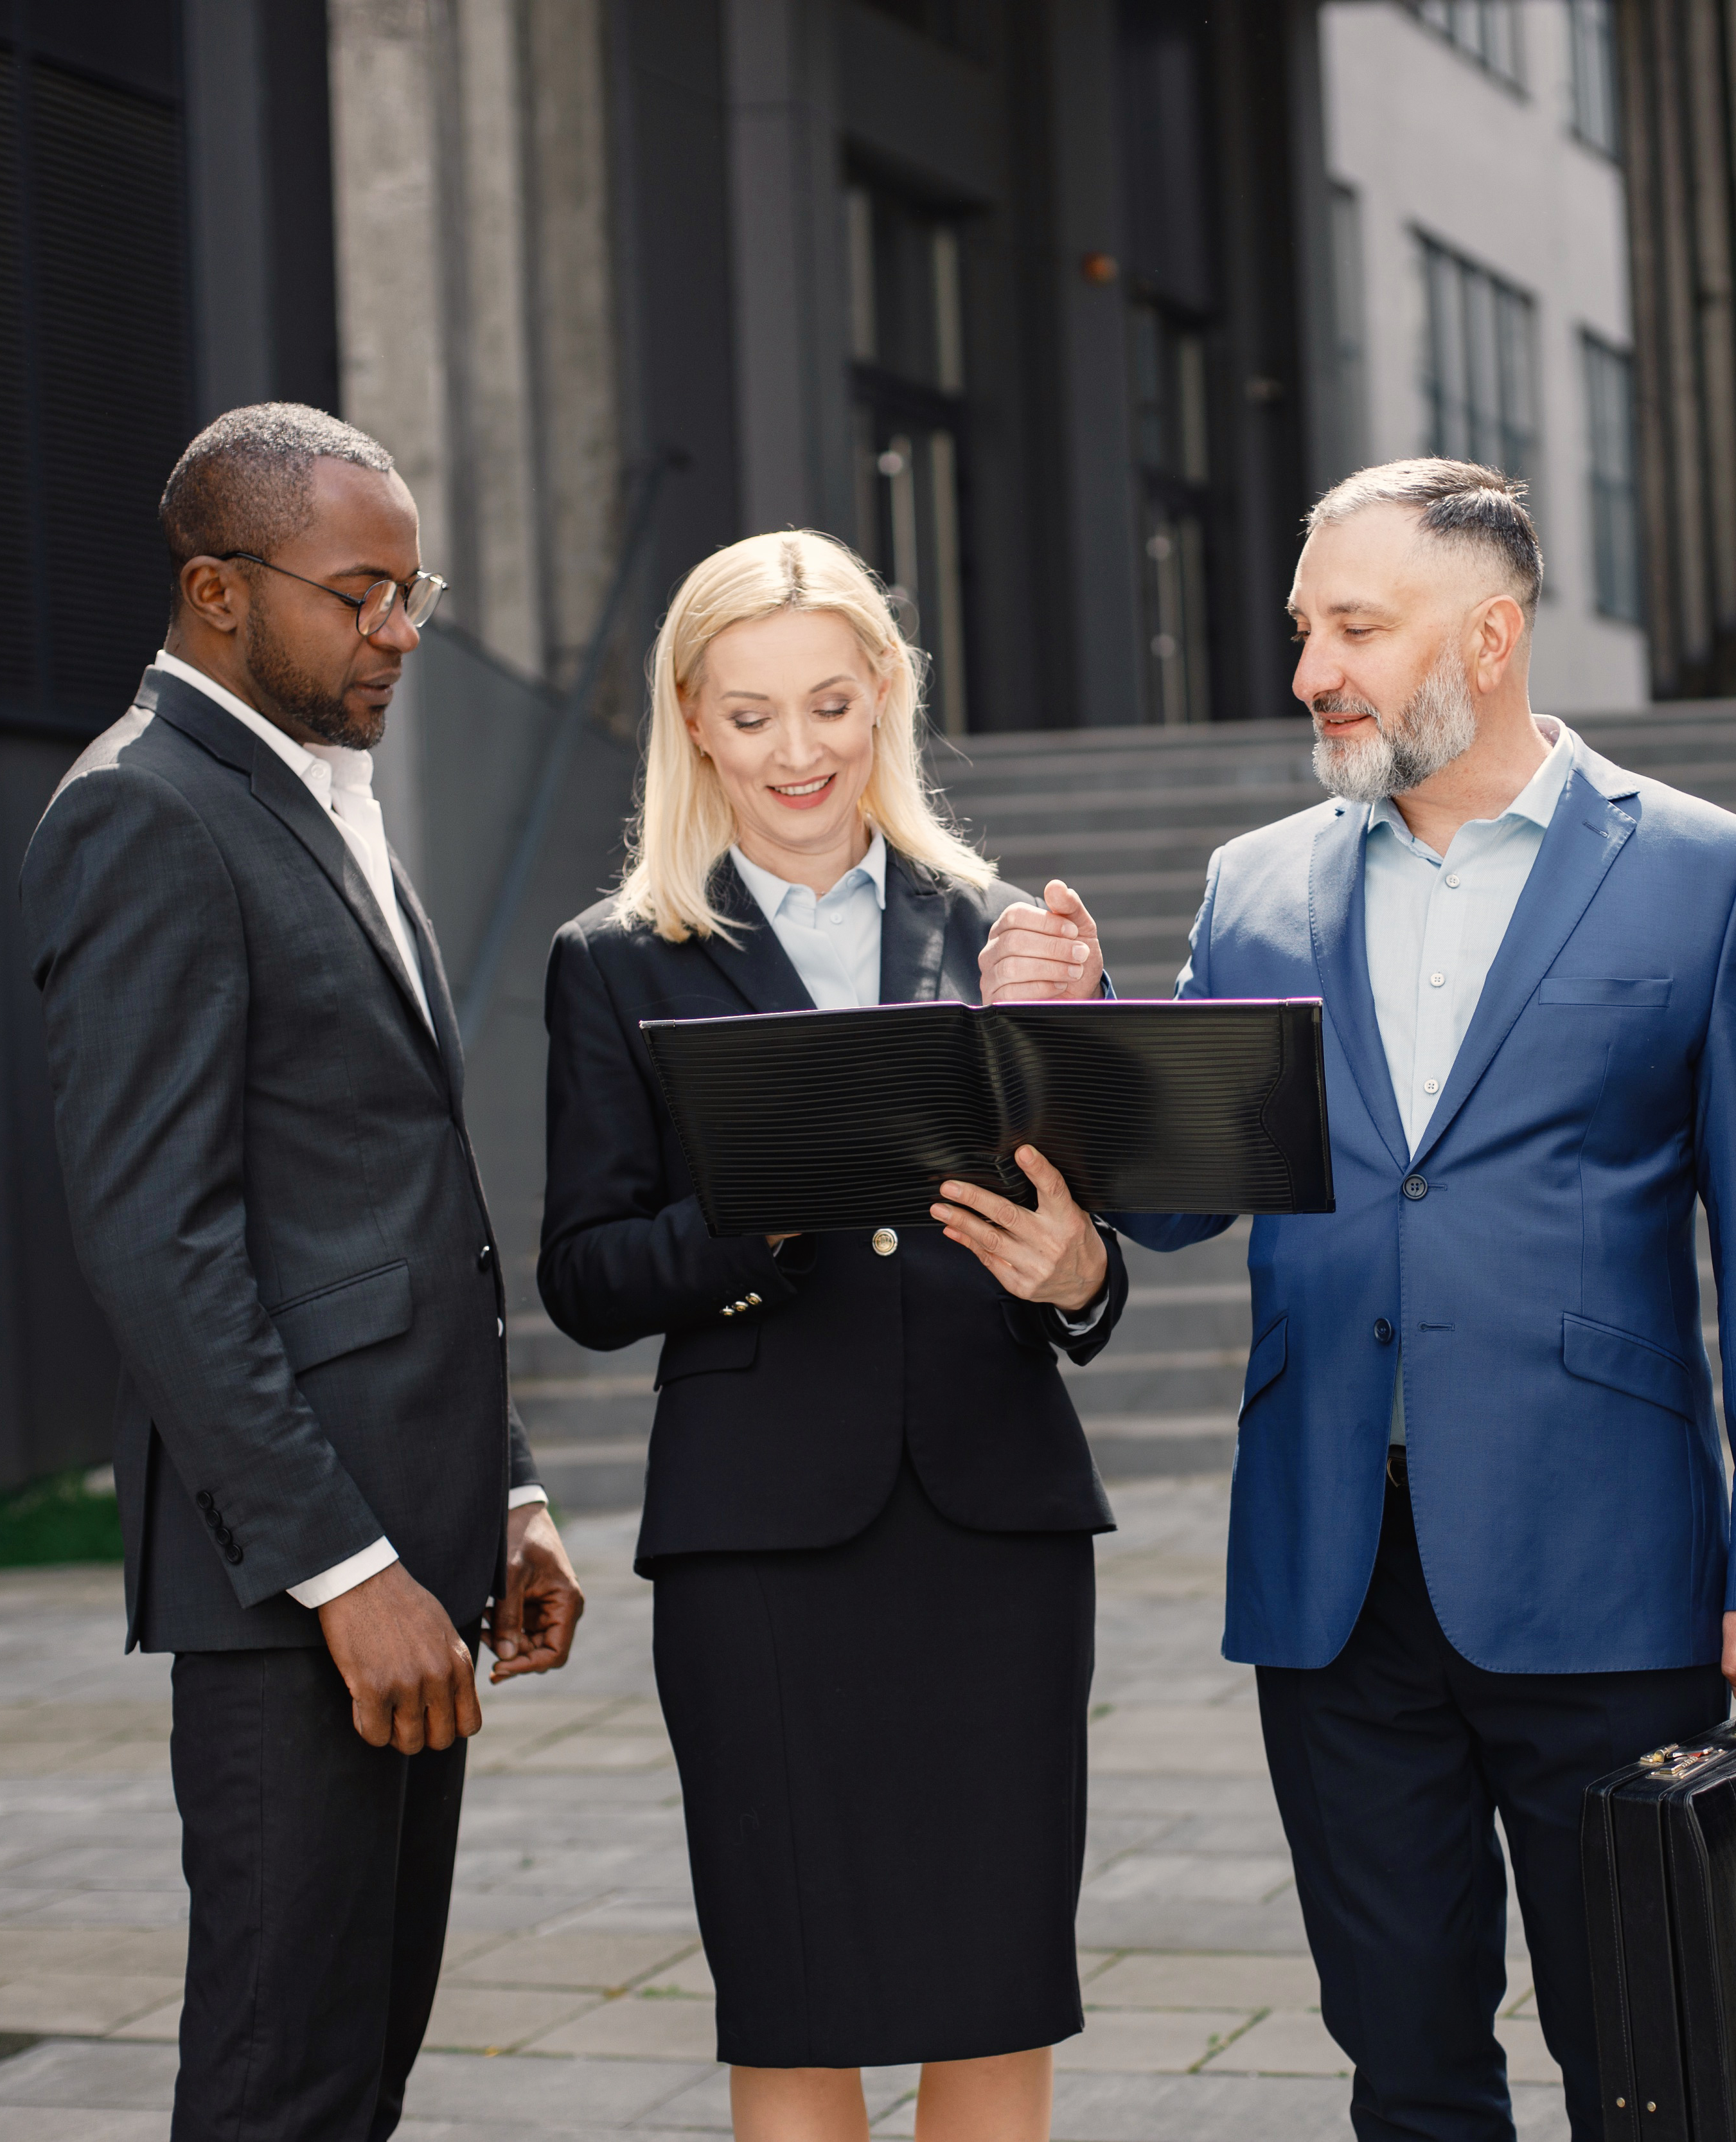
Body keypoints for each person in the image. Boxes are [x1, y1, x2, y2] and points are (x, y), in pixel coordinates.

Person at [984, 460, 1736, 2142]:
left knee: (1655, 2052)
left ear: (1494, 631)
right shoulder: (1258, 884)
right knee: (1404, 2056)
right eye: (1308, 626)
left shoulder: (1711, 874)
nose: (1314, 667)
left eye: (1356, 627)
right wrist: (1084, 1035)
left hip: (1610, 1571)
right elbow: (1168, 1202)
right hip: (1332, 1574)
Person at [20, 404, 585, 2142]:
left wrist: (502, 1490)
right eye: (363, 592)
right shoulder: (145, 816)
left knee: (355, 2070)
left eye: (412, 588)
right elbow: (158, 1237)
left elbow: (377, 1196)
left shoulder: (316, 794)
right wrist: (348, 1570)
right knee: (281, 2082)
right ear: (216, 590)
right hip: (301, 1592)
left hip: (416, 1547)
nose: (400, 628)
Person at [537, 530, 1126, 2142]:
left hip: (995, 1527)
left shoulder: (1007, 931)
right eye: (749, 716)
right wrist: (759, 1214)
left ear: (886, 700)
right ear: (690, 721)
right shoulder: (613, 961)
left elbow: (1091, 1259)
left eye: (829, 704)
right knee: (793, 1988)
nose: (796, 753)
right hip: (761, 1544)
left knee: (998, 1983)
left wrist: (1076, 1267)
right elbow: (583, 1273)